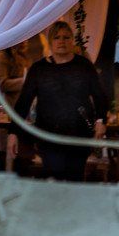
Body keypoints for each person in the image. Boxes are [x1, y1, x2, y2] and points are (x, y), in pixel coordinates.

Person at [12, 22, 106, 181]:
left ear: (72, 41)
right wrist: (13, 132)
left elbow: (100, 95)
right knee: (55, 178)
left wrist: (101, 120)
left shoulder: (84, 66)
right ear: (50, 41)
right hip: (49, 136)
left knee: (75, 181)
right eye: (57, 37)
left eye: (66, 37)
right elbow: (24, 101)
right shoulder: (38, 69)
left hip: (79, 135)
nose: (61, 41)